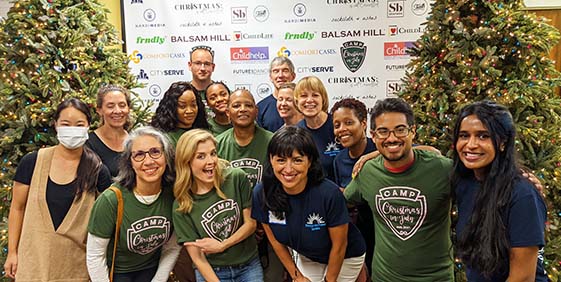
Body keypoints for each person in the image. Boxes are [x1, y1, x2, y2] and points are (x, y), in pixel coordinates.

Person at [344, 98, 455, 281]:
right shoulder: (367, 172)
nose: (392, 138)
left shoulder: (443, 169)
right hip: (385, 277)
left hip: (436, 278)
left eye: (400, 130)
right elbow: (342, 201)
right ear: (373, 134)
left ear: (412, 132)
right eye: (383, 131)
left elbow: (484, 190)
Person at [4, 98, 111, 281]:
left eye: (79, 124)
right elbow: (17, 208)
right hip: (32, 264)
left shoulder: (98, 170)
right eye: (66, 124)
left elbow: (107, 221)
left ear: (88, 127)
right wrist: (12, 252)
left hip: (76, 269)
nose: (72, 129)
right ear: (56, 125)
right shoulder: (32, 162)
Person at [252, 126, 366, 282]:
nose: (288, 169)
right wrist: (296, 276)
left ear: (310, 161)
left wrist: (329, 281)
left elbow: (339, 246)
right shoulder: (262, 193)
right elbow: (275, 241)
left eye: (297, 160)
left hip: (347, 256)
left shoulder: (329, 193)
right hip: (308, 256)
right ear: (271, 159)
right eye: (280, 160)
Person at [452, 101, 547, 281]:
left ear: (502, 142)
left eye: (483, 136)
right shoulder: (464, 183)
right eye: (464, 135)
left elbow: (523, 278)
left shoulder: (522, 195)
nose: (470, 144)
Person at [87, 126, 181, 281]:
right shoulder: (111, 200)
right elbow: (95, 255)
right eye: (139, 155)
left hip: (152, 270)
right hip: (116, 273)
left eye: (155, 152)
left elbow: (172, 247)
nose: (149, 161)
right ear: (129, 162)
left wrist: (158, 279)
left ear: (166, 156)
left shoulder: (173, 195)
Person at [172, 129, 263, 282]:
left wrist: (222, 245)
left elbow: (251, 224)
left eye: (213, 153)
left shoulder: (236, 178)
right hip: (212, 271)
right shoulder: (182, 205)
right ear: (186, 161)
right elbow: (198, 259)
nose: (211, 161)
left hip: (248, 266)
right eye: (201, 156)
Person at [330, 98, 376, 277]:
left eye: (349, 122)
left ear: (363, 123)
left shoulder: (381, 147)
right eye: (337, 124)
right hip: (355, 235)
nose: (342, 129)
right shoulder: (339, 160)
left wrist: (370, 156)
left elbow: (428, 151)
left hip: (381, 232)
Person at [216, 88, 273, 188]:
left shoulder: (273, 141)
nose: (243, 109)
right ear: (228, 112)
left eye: (248, 105)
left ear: (256, 111)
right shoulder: (217, 144)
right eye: (236, 106)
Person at [295, 76, 340, 180]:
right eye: (303, 96)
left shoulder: (338, 125)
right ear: (297, 102)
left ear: (323, 99)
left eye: (315, 95)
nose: (309, 100)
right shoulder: (296, 132)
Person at [87, 84, 130, 177]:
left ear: (128, 108)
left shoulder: (135, 140)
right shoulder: (89, 144)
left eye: (122, 105)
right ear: (99, 110)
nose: (117, 111)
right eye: (110, 106)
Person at [151, 81, 209, 146]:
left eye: (193, 105)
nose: (189, 111)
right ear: (172, 108)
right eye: (182, 106)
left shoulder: (204, 132)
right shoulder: (165, 138)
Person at [257, 56, 297, 132]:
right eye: (276, 71)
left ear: (293, 76)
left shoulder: (303, 104)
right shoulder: (261, 107)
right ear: (270, 77)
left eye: (285, 71)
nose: (280, 75)